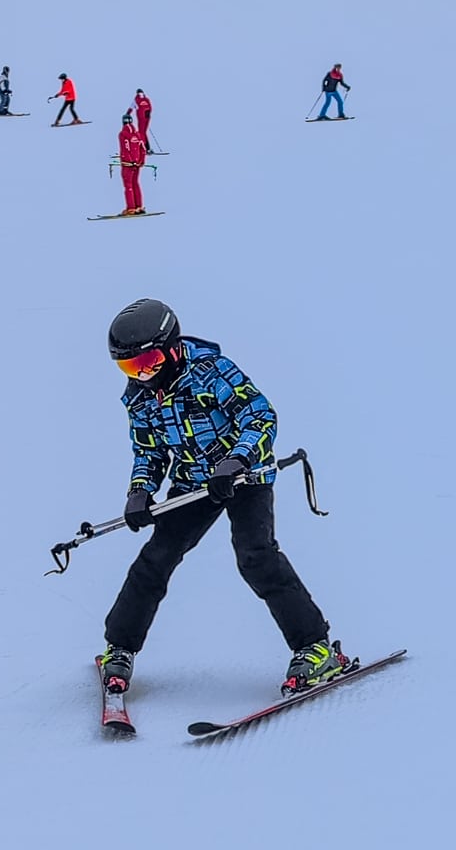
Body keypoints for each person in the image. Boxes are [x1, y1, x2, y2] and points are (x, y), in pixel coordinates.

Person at [100, 298, 350, 695]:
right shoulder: (139, 398)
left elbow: (260, 415)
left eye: (148, 362)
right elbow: (149, 452)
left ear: (172, 347)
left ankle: (316, 648)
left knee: (256, 557)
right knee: (156, 559)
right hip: (193, 484)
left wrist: (235, 461)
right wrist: (140, 492)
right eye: (131, 367)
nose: (143, 375)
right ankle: (119, 647)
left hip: (245, 476)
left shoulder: (211, 372)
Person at [117, 113, 146, 215]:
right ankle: (139, 206)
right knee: (135, 183)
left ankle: (131, 208)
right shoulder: (138, 134)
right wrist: (141, 161)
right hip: (137, 163)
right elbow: (143, 149)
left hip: (127, 164)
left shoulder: (123, 134)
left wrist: (129, 161)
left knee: (128, 185)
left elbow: (125, 148)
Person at [128, 89, 153, 154]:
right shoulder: (146, 99)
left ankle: (143, 148)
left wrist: (127, 114)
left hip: (141, 119)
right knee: (143, 133)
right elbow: (150, 107)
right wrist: (148, 112)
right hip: (147, 118)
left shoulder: (136, 100)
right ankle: (147, 148)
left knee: (141, 133)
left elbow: (131, 108)